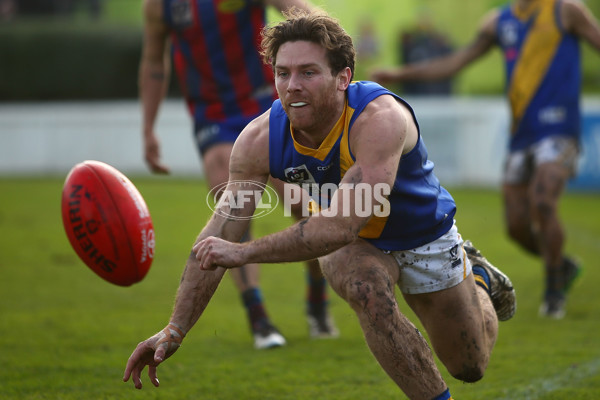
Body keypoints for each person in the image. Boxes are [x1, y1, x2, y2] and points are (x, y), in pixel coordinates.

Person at [124, 10, 517, 399]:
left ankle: (478, 278)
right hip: (354, 244)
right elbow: (221, 230)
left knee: (470, 366)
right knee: (365, 289)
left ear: (343, 77)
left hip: (422, 236)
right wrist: (174, 329)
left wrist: (242, 253)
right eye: (282, 73)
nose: (292, 85)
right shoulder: (258, 140)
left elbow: (338, 225)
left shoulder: (378, 119)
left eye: (308, 73)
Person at [370, 0, 600, 319]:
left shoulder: (566, 10)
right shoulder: (497, 21)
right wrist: (400, 73)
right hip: (522, 133)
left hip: (560, 128)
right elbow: (456, 62)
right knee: (516, 226)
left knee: (544, 203)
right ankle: (560, 265)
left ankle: (554, 290)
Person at [139, 0, 338, 350]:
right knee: (232, 206)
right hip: (212, 114)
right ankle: (258, 316)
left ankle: (318, 299)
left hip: (265, 102)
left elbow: (297, 10)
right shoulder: (159, 5)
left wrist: (333, 52)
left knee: (302, 204)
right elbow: (155, 60)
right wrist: (148, 129)